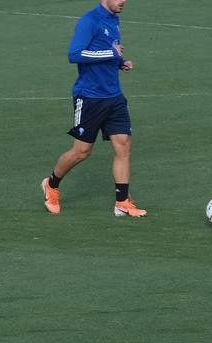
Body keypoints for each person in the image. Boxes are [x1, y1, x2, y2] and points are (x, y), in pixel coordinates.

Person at [41, 0, 146, 217]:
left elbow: (105, 51)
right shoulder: (89, 21)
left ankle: (122, 202)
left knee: (123, 145)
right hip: (89, 97)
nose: (123, 1)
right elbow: (75, 54)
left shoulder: (113, 20)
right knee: (81, 152)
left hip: (114, 96)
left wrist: (120, 62)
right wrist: (111, 53)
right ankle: (51, 185)